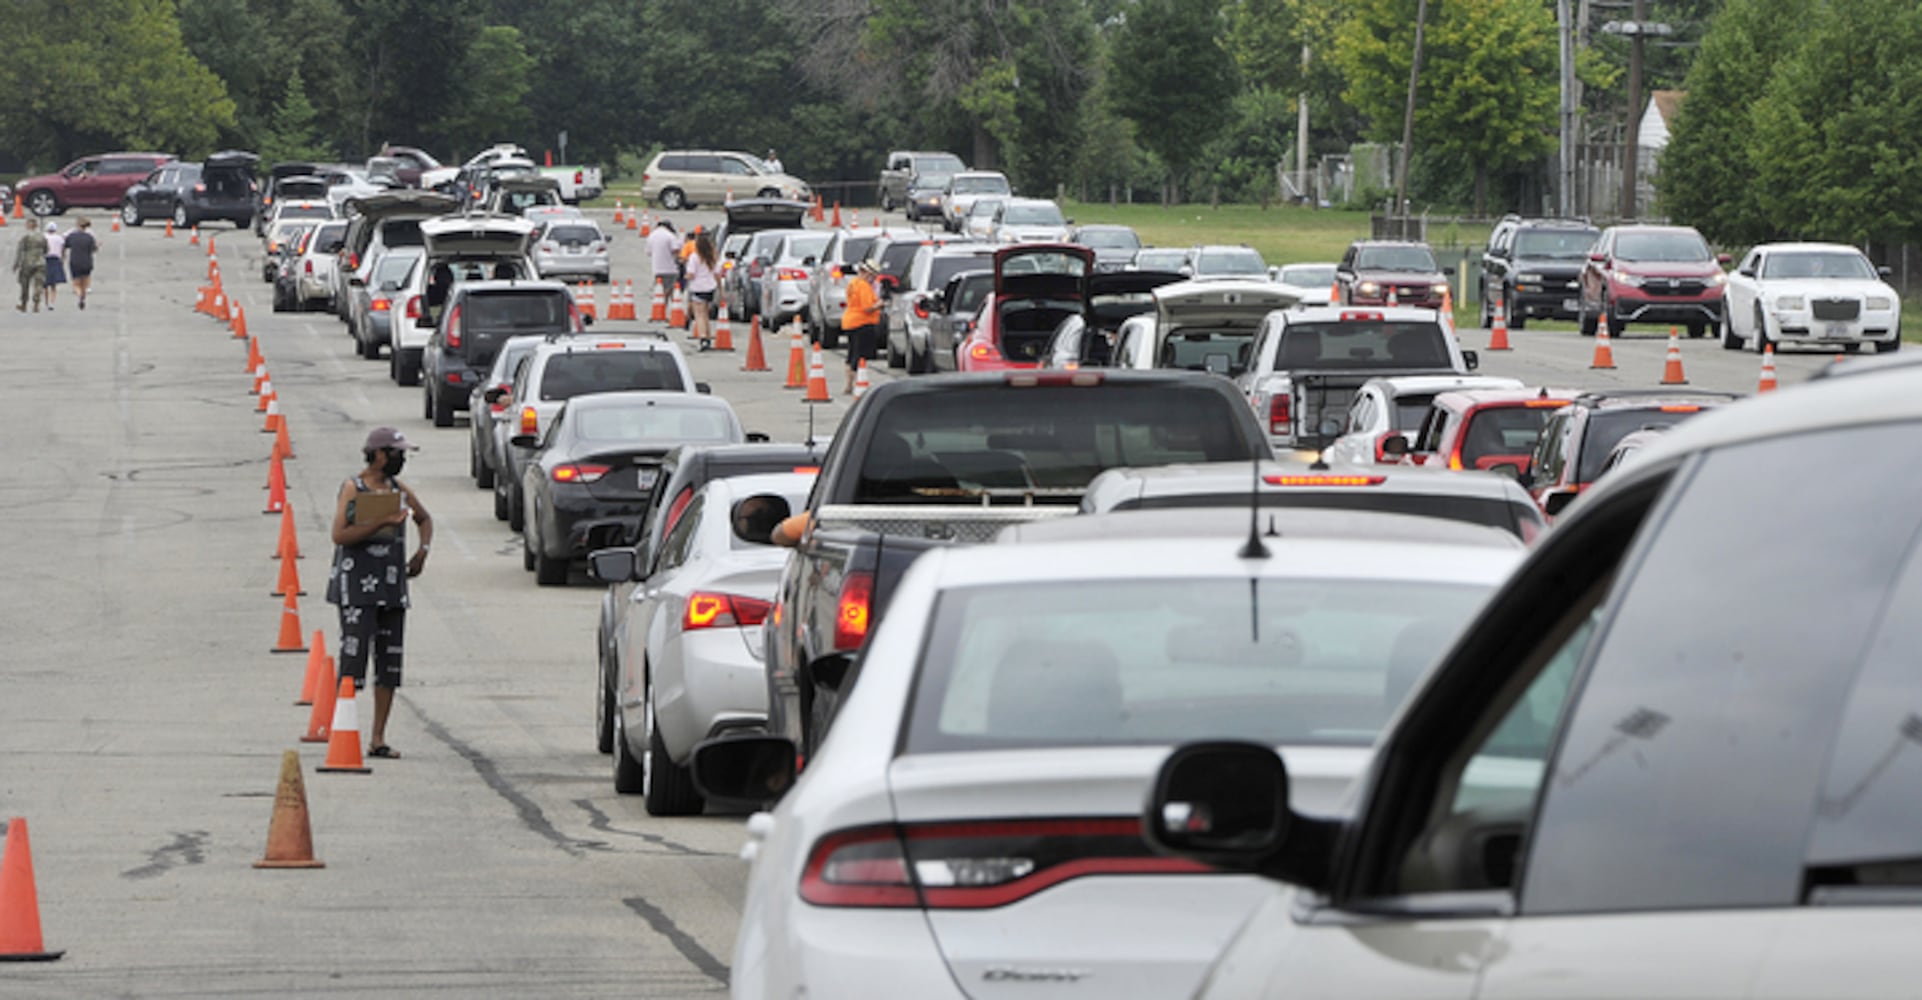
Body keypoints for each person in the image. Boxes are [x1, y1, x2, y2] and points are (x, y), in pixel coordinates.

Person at [326, 427, 434, 760]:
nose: (401, 460)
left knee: (389, 663)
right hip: (357, 587)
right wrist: (381, 521)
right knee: (352, 659)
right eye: (396, 453)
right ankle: (341, 728)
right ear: (379, 455)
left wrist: (422, 551)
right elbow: (340, 535)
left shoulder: (398, 489)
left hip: (391, 587)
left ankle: (378, 737)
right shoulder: (353, 488)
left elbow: (424, 518)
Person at [840, 259, 883, 394]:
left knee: (851, 353)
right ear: (866, 273)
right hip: (862, 323)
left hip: (849, 321)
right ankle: (854, 383)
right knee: (859, 355)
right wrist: (880, 304)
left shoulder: (852, 283)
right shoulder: (864, 286)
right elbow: (867, 308)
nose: (873, 278)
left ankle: (849, 383)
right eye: (872, 275)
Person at [685, 230, 719, 350]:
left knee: (699, 314)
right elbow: (717, 274)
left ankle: (703, 337)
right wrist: (721, 289)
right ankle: (708, 336)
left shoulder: (694, 257)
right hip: (710, 287)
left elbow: (691, 274)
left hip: (698, 287)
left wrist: (686, 277)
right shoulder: (712, 257)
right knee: (706, 314)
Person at [63, 217, 97, 310]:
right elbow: (94, 249)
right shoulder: (90, 237)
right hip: (87, 261)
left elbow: (65, 245)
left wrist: (63, 256)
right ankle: (83, 294)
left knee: (76, 283)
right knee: (85, 282)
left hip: (75, 261)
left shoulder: (72, 236)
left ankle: (79, 295)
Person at [13, 221, 47, 313]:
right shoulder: (42, 236)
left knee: (25, 284)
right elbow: (47, 249)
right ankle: (36, 303)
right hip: (40, 262)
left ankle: (24, 303)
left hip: (27, 262)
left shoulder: (25, 237)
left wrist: (16, 264)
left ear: (28, 226)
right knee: (39, 283)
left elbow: (20, 251)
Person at [645, 218, 679, 304]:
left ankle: (660, 307)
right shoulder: (670, 236)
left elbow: (648, 252)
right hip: (670, 268)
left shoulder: (651, 236)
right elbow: (676, 250)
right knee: (669, 290)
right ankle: (667, 306)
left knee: (660, 289)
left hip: (657, 268)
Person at [41, 222, 64, 309]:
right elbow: (62, 250)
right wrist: (62, 259)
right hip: (56, 260)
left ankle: (46, 302)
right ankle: (52, 301)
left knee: (45, 284)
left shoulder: (43, 237)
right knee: (53, 284)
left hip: (45, 259)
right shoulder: (59, 238)